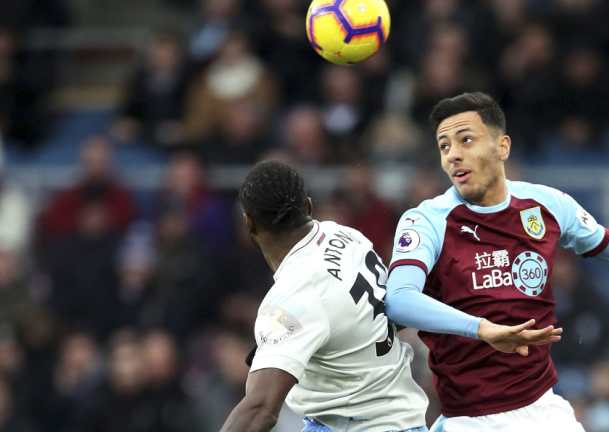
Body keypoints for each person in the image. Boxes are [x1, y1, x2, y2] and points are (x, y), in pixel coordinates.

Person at [384, 92, 609, 431]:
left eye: (466, 140)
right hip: (470, 419)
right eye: (444, 146)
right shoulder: (427, 220)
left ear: (502, 146)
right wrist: (482, 329)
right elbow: (399, 299)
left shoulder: (546, 205)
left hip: (545, 410)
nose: (453, 155)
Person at [220, 160, 559, 432]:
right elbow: (379, 315)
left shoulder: (291, 298)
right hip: (400, 417)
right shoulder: (344, 236)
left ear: (249, 224)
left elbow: (260, 410)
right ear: (307, 205)